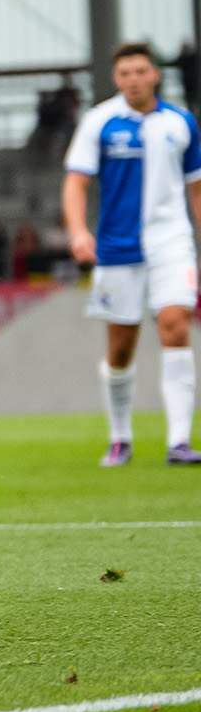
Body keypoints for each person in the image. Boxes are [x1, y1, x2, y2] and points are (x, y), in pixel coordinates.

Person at [61, 42, 201, 467]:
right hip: (117, 249)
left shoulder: (181, 123)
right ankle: (120, 436)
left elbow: (196, 187)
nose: (133, 80)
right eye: (125, 73)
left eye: (141, 71)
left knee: (175, 326)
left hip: (171, 244)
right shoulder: (99, 121)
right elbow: (76, 182)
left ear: (155, 74)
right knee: (121, 346)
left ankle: (179, 441)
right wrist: (78, 230)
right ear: (116, 79)